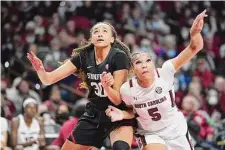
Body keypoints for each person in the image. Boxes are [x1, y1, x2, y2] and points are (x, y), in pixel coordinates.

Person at [106, 10, 207, 150]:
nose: (144, 65)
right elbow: (132, 112)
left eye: (148, 60)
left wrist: (195, 34)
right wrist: (122, 114)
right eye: (138, 62)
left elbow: (195, 47)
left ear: (153, 63)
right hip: (150, 133)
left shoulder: (165, 71)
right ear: (133, 69)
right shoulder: (127, 89)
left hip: (175, 129)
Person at [27, 22, 135, 150]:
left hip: (118, 112)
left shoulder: (118, 56)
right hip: (94, 114)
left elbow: (117, 99)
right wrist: (40, 70)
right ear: (91, 38)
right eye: (96, 31)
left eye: (104, 31)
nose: (100, 33)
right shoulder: (83, 56)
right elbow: (48, 80)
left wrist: (106, 88)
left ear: (112, 39)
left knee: (120, 148)